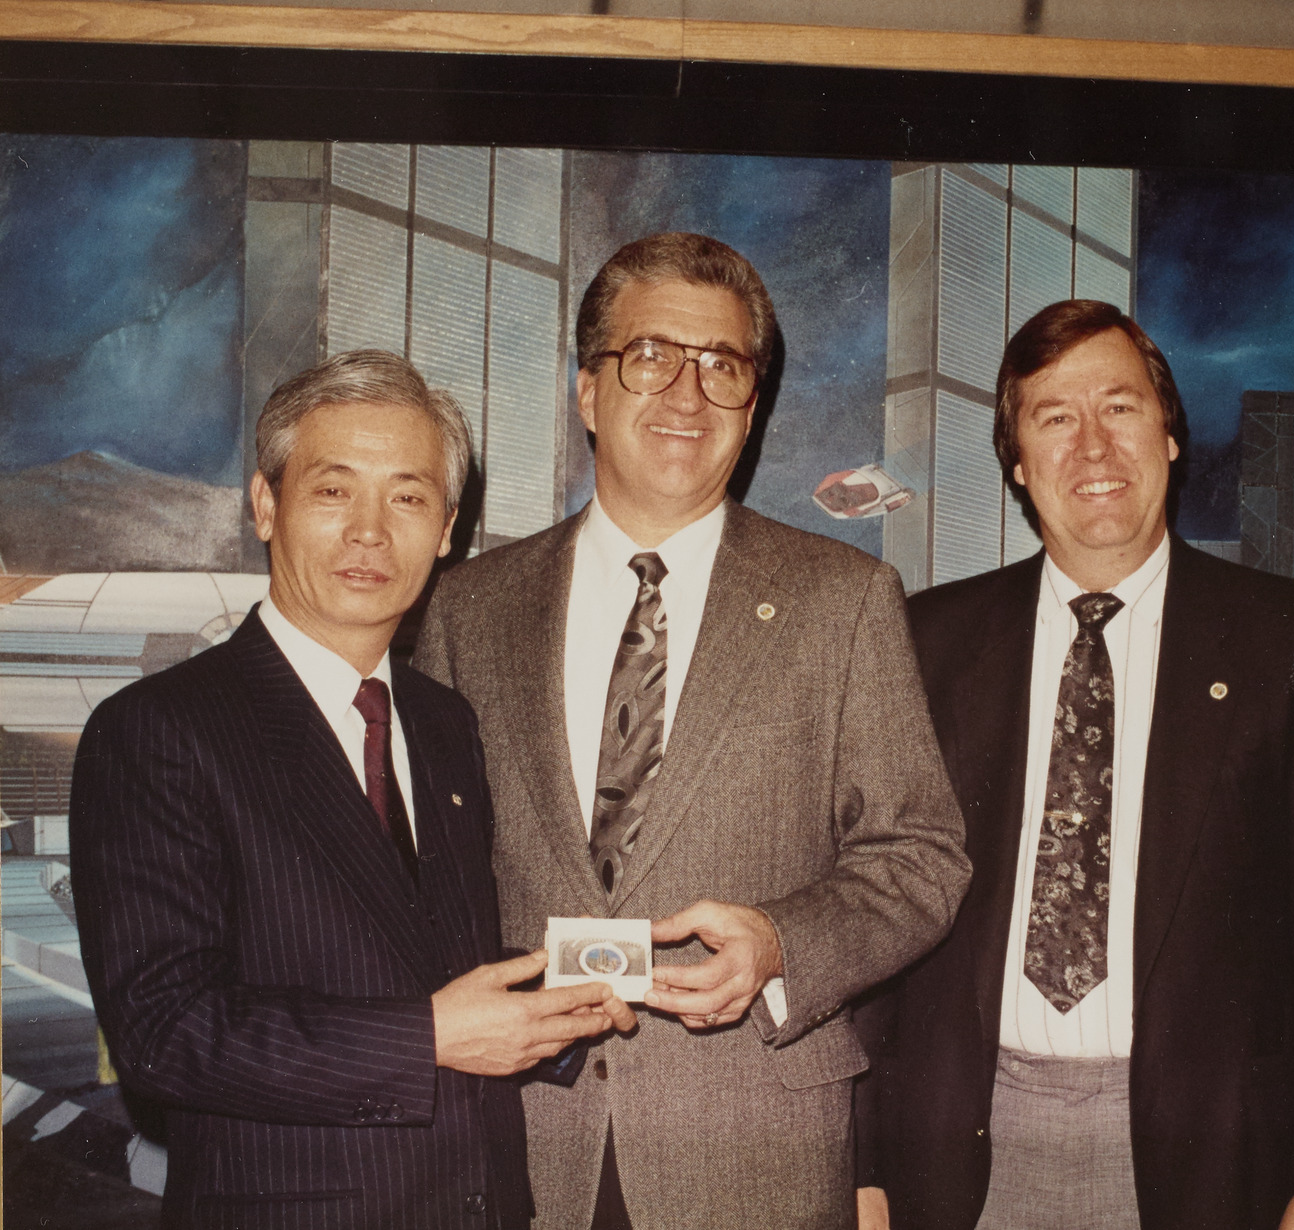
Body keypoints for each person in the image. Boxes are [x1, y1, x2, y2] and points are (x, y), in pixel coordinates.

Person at [413, 231, 971, 1229]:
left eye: (722, 368)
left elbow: (921, 857)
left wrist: (781, 943)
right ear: (588, 391)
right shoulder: (467, 609)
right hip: (518, 1143)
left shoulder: (842, 601)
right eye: (650, 356)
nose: (685, 394)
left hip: (754, 1148)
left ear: (751, 411)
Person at [858, 300, 1294, 1230]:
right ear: (1018, 464)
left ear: (1171, 436)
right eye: (1054, 417)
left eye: (1119, 408)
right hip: (957, 1147)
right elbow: (874, 907)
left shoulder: (1289, 638)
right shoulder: (926, 639)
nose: (1092, 448)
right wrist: (864, 1173)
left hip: (1211, 1152)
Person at [70, 350, 621, 1228]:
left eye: (408, 497)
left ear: (446, 529)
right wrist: (431, 1037)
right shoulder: (158, 731)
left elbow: (427, 965)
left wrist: (564, 1002)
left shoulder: (446, 726)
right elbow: (162, 1034)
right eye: (333, 491)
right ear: (264, 505)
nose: (371, 531)